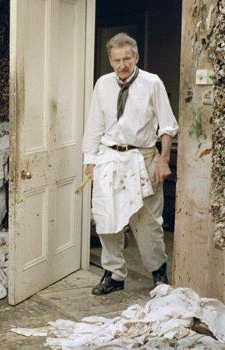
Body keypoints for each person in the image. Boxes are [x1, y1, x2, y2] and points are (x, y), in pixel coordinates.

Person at [82, 32, 179, 296]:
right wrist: (89, 159)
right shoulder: (103, 84)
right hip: (109, 159)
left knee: (147, 222)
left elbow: (167, 125)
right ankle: (113, 274)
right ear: (111, 60)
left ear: (136, 56)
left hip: (143, 158)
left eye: (127, 58)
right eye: (117, 60)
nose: (122, 65)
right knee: (106, 219)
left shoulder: (152, 83)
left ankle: (158, 274)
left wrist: (163, 160)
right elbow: (95, 125)